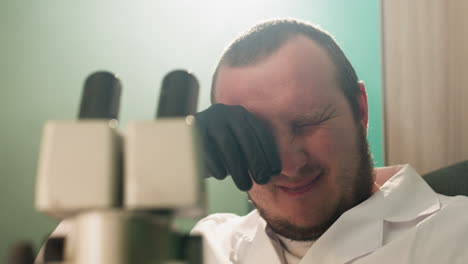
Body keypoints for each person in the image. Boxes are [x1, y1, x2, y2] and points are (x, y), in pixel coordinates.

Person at [191, 18, 468, 264]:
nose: (288, 166)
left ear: (359, 109)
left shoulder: (456, 236)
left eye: (306, 122)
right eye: (255, 137)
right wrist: (169, 160)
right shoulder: (211, 244)